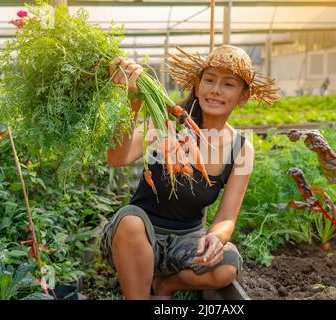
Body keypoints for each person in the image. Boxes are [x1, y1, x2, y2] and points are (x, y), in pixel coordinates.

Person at [100, 45, 279, 300]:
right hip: (135, 240)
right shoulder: (164, 123)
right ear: (197, 85)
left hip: (185, 244)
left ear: (243, 96)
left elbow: (227, 216)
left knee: (227, 266)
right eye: (209, 80)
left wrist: (216, 237)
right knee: (130, 220)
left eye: (228, 84)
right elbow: (117, 158)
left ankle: (165, 285)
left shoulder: (241, 149)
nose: (215, 90)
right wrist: (133, 104)